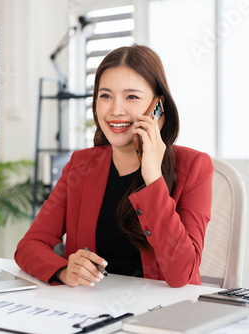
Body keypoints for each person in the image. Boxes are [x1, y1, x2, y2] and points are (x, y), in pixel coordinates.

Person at [15, 44, 214, 288]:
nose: (115, 110)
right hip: (89, 311)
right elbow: (29, 245)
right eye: (105, 96)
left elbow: (181, 274)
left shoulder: (194, 167)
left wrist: (152, 177)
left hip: (161, 316)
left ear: (157, 109)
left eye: (131, 96)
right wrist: (64, 270)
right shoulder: (81, 165)